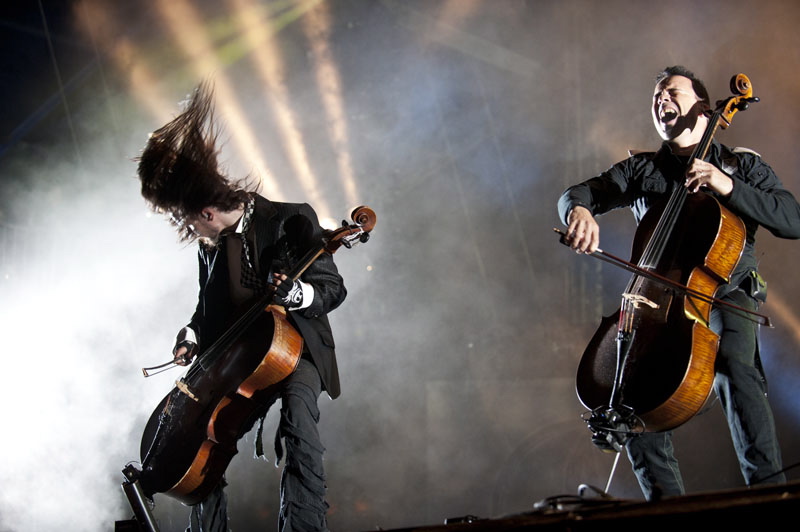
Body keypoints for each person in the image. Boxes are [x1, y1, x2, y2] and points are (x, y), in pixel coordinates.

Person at [558, 66, 800, 500]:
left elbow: (792, 219)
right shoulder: (642, 169)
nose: (660, 99)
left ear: (705, 110)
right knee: (631, 393)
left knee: (734, 364)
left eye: (671, 91)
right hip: (657, 303)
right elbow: (578, 193)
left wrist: (726, 185)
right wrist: (577, 211)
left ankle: (769, 494)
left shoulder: (740, 165)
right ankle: (666, 507)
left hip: (727, 295)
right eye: (655, 95)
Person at [136, 81, 346, 531]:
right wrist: (191, 334)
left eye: (186, 221)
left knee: (299, 426)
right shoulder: (209, 247)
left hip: (292, 350)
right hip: (235, 361)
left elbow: (331, 288)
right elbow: (205, 310)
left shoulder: (290, 218)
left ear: (207, 213)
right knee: (201, 444)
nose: (188, 232)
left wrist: (296, 295)